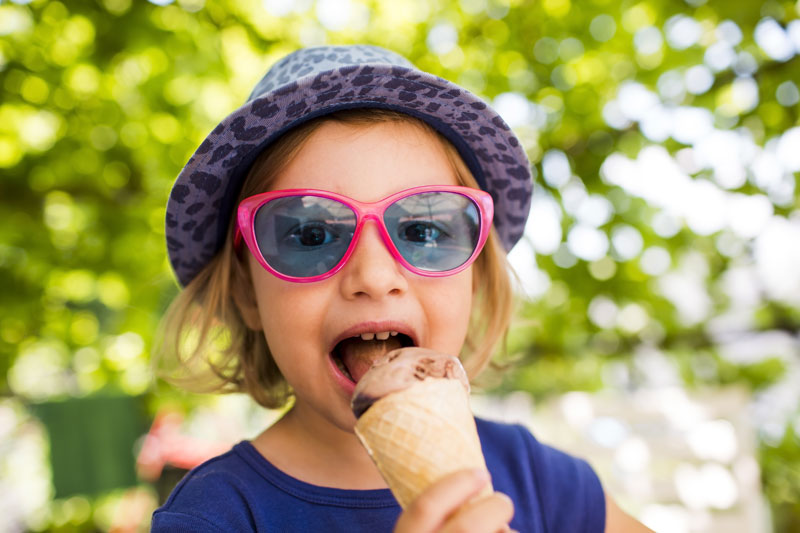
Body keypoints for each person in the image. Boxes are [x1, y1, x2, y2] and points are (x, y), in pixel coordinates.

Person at [151, 44, 650, 532]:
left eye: (423, 231)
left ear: (474, 278)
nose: (374, 277)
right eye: (310, 235)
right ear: (245, 292)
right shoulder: (216, 515)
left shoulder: (538, 478)